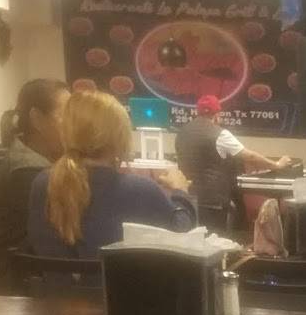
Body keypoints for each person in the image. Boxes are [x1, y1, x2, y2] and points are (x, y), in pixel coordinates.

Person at [28, 89, 197, 259]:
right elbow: (182, 234)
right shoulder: (140, 190)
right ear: (120, 136)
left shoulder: (42, 183)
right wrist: (181, 192)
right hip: (123, 277)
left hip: (54, 278)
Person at [0, 78, 69, 287]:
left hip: (29, 272)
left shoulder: (39, 160)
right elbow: (67, 228)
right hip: (13, 283)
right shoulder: (27, 171)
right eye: (65, 116)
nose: (72, 126)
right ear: (37, 119)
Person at [174, 93, 293, 230]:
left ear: (198, 112)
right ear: (217, 114)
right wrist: (276, 165)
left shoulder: (182, 133)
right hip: (212, 201)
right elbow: (250, 156)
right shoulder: (219, 134)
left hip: (187, 198)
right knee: (213, 238)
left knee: (191, 237)